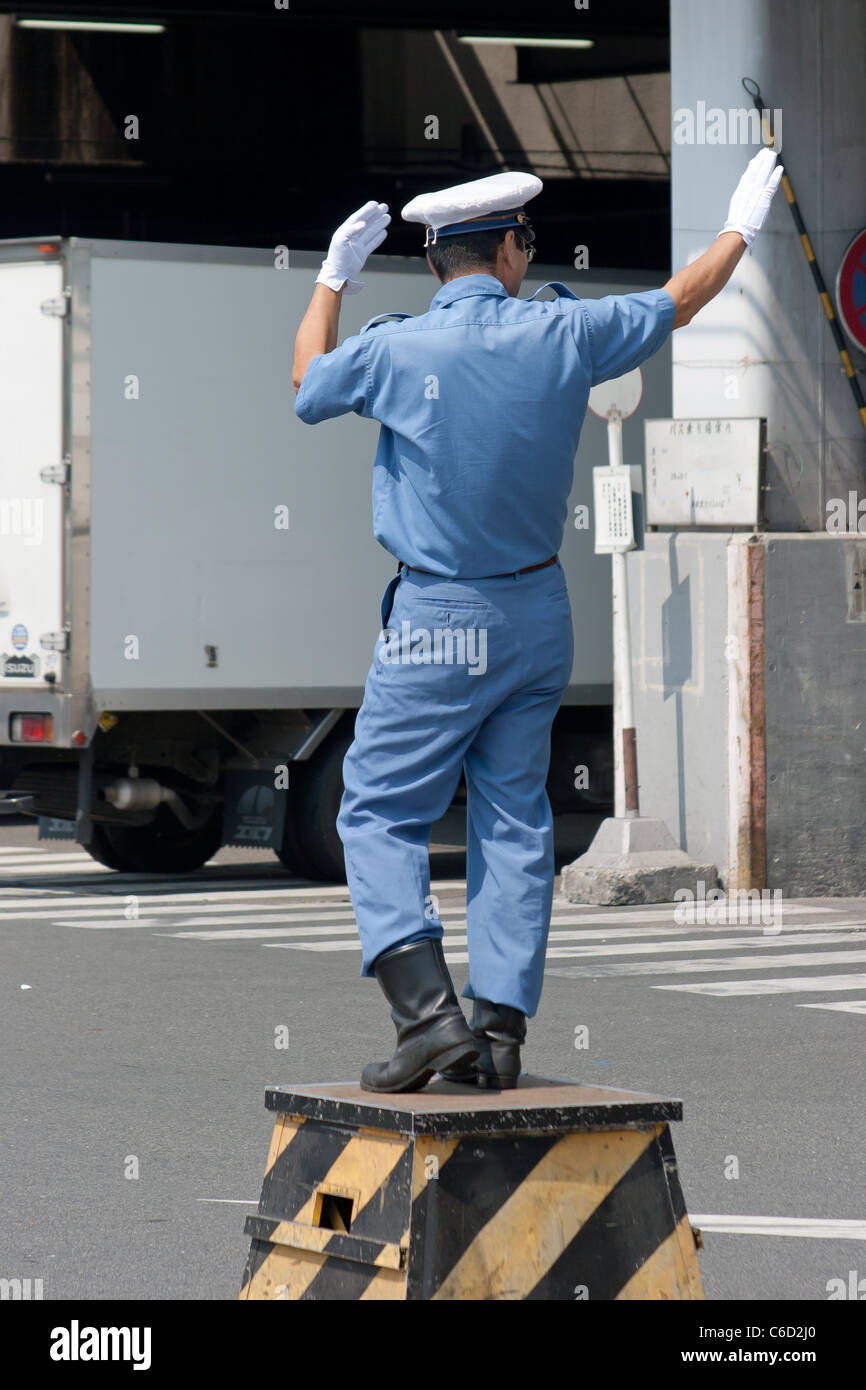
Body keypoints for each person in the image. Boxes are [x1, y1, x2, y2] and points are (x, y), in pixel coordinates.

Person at [292, 151, 783, 1095]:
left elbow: (309, 385)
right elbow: (683, 298)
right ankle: (501, 1034)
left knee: (380, 808)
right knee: (515, 816)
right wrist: (741, 230)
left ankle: (428, 1019)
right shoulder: (566, 332)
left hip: (439, 612)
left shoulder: (396, 350)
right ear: (514, 251)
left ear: (437, 261)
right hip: (535, 612)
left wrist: (330, 277)